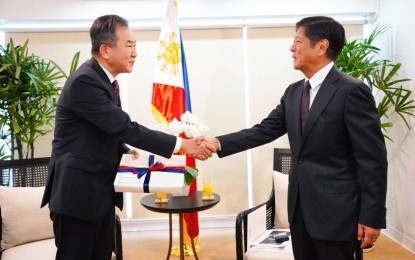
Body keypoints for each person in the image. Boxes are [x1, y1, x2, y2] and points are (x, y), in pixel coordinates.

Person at [198, 16, 387, 260]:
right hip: (299, 211)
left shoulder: (351, 91)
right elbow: (264, 130)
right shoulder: (294, 92)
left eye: (297, 41)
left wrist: (372, 217)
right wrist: (217, 143)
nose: (292, 47)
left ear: (321, 47)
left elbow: (373, 159)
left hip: (336, 213)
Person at [41, 14, 213, 260]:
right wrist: (181, 145)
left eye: (136, 45)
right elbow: (124, 127)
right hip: (77, 197)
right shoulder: (85, 82)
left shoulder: (106, 81)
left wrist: (123, 149)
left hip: (98, 194)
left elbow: (102, 130)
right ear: (105, 50)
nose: (135, 52)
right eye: (129, 45)